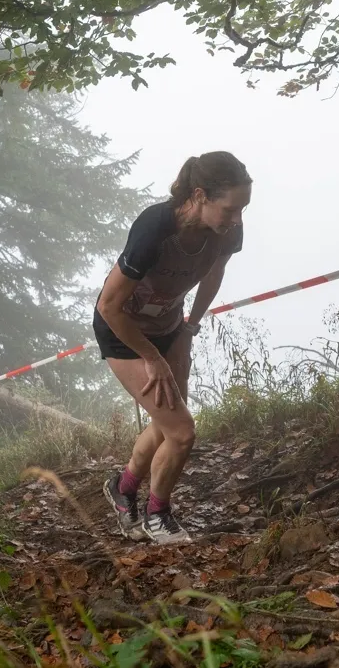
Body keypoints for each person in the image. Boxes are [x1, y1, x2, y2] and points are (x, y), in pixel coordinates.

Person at [98, 152, 250, 544]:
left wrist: (189, 329)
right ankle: (157, 517)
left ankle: (124, 487)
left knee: (168, 422)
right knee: (181, 431)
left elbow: (213, 276)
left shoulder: (227, 233)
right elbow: (109, 306)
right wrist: (152, 358)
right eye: (230, 209)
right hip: (124, 332)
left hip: (170, 327)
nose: (236, 220)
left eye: (243, 210)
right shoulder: (155, 228)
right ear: (199, 195)